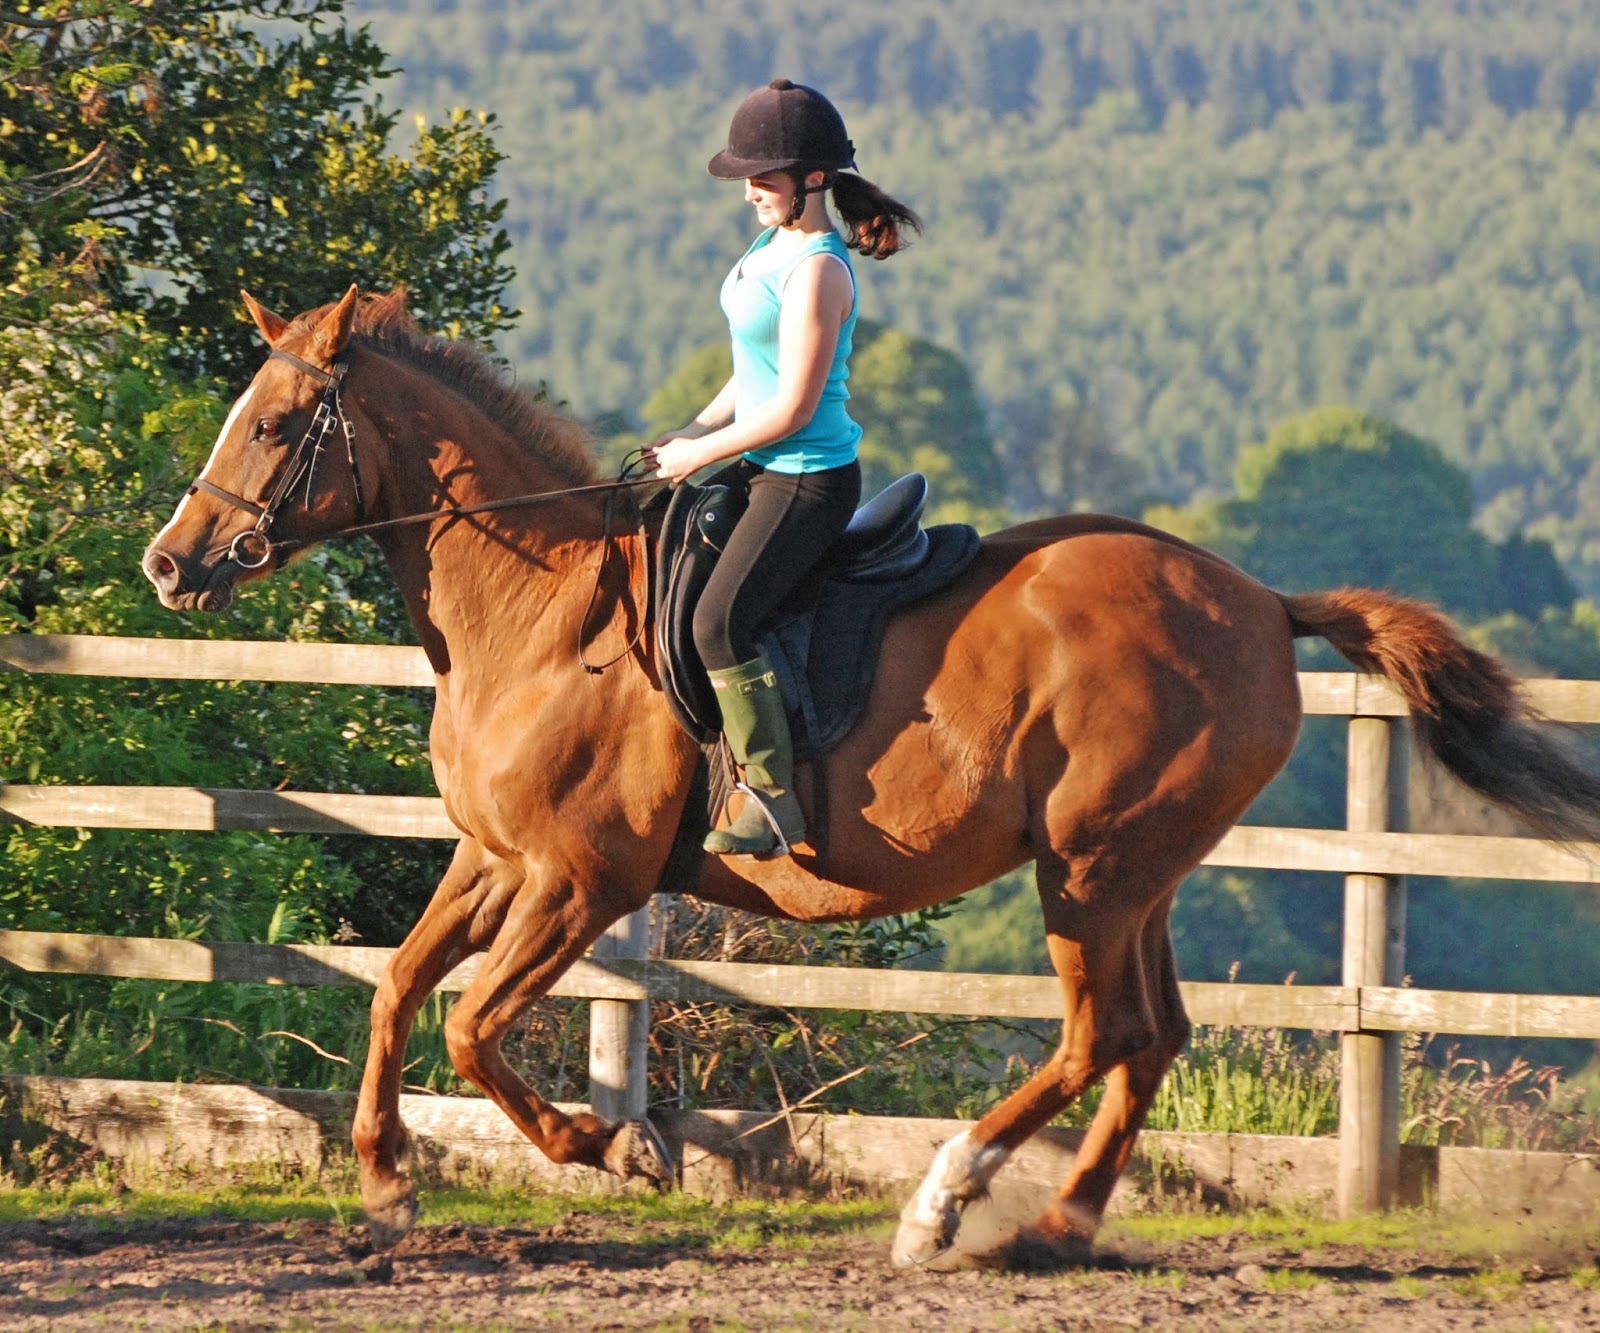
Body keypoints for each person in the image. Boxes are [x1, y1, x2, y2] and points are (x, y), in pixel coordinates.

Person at [646, 78, 921, 858]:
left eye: (762, 179)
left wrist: (701, 453)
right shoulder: (771, 245)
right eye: (746, 181)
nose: (749, 194)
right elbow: (754, 366)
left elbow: (795, 406)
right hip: (758, 455)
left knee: (718, 621)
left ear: (813, 180)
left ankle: (771, 795)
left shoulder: (821, 270)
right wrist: (693, 426)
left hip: (806, 476)